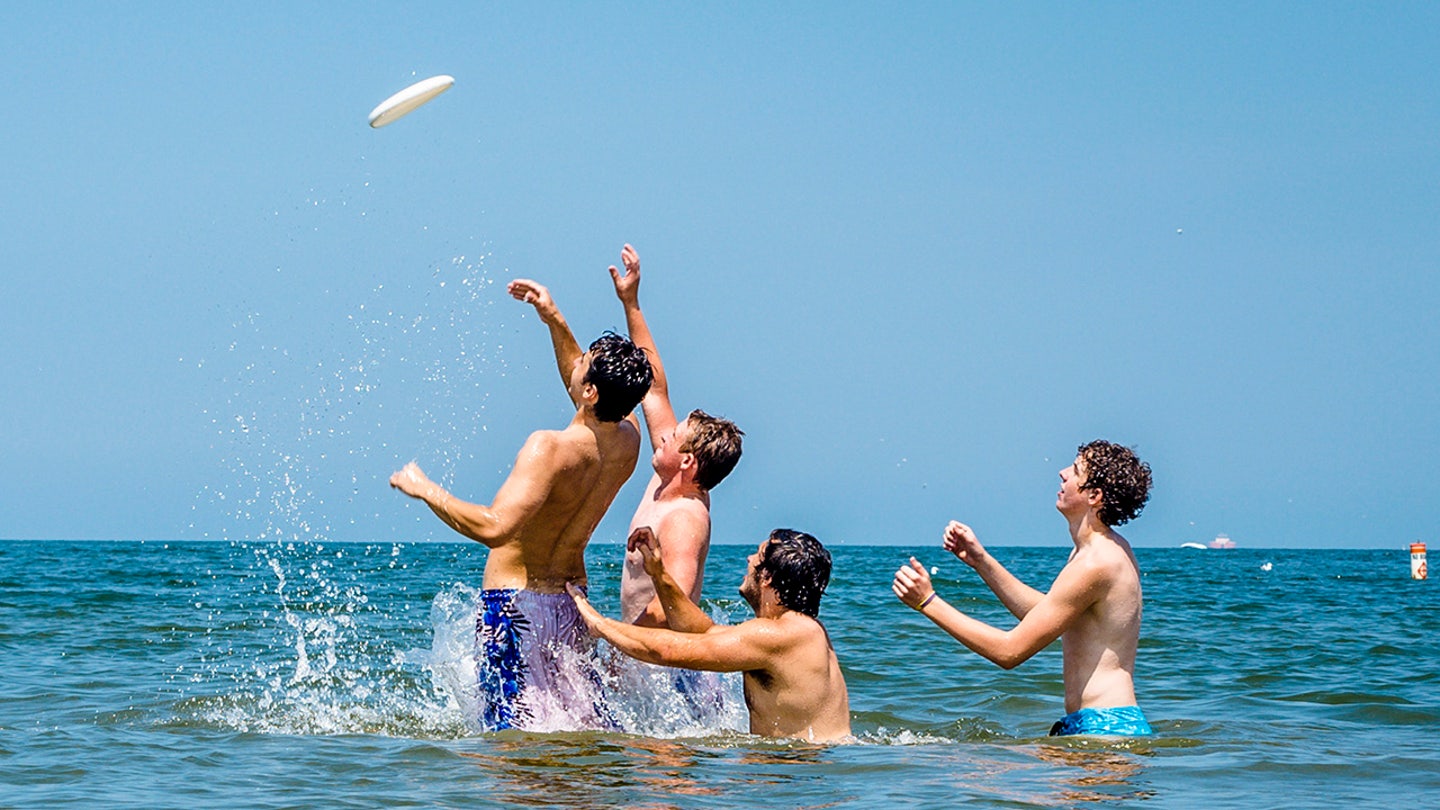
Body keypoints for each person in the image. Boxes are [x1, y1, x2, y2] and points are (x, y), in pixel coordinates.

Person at [389, 277, 652, 731]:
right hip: (572, 604)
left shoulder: (548, 448)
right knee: (577, 726)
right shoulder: (628, 440)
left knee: (511, 737)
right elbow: (592, 391)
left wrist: (426, 489)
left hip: (515, 605)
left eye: (585, 365)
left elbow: (495, 528)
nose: (578, 368)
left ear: (589, 390)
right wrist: (554, 319)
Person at [892, 440, 1155, 737]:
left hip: (1105, 728)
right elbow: (1046, 615)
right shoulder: (1100, 551)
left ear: (1094, 495)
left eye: (1075, 470)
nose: (1062, 473)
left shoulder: (1096, 562)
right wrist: (982, 561)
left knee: (981, 774)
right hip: (1097, 724)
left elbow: (1009, 652)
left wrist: (927, 601)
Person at [568, 528, 851, 742]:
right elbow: (705, 632)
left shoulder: (778, 635)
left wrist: (600, 624)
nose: (749, 559)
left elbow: (667, 652)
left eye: (759, 554)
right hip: (809, 778)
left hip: (796, 782)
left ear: (767, 578)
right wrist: (658, 572)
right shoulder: (801, 630)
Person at [606, 243, 744, 627]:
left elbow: (675, 603)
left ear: (687, 460)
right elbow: (654, 389)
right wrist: (631, 304)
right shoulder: (666, 481)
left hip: (664, 673)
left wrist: (618, 645)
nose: (663, 437)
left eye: (673, 437)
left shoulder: (685, 517)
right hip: (645, 662)